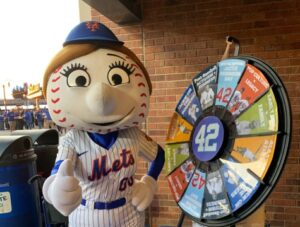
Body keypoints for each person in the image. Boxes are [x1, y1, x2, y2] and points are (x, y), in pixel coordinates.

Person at [42, 21, 165, 227]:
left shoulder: (133, 134)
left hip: (129, 214)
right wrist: (55, 190)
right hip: (87, 215)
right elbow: (59, 171)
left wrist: (149, 182)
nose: (101, 94)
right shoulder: (72, 139)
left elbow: (159, 155)